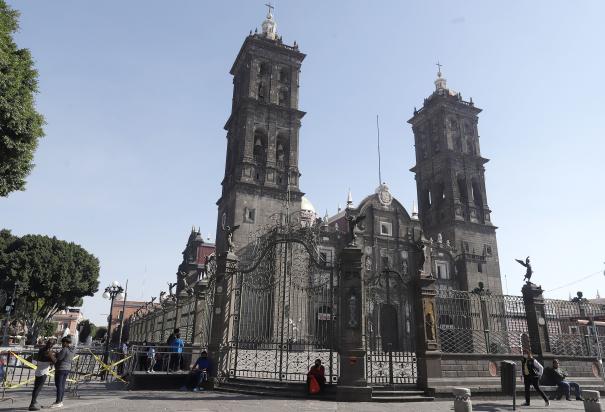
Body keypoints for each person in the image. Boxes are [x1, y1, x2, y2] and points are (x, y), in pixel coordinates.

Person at [29, 339, 56, 411]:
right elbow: (54, 361)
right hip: (43, 372)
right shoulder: (48, 352)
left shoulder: (41, 350)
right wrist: (53, 355)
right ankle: (32, 404)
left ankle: (34, 401)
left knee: (36, 388)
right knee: (38, 388)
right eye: (52, 345)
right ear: (51, 345)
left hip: (38, 371)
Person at [50, 335, 75, 409]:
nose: (61, 344)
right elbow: (64, 357)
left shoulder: (65, 349)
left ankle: (58, 402)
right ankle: (60, 401)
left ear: (65, 343)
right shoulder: (72, 350)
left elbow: (59, 358)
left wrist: (52, 354)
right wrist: (58, 353)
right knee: (62, 385)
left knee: (59, 385)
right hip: (67, 369)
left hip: (61, 369)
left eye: (62, 343)